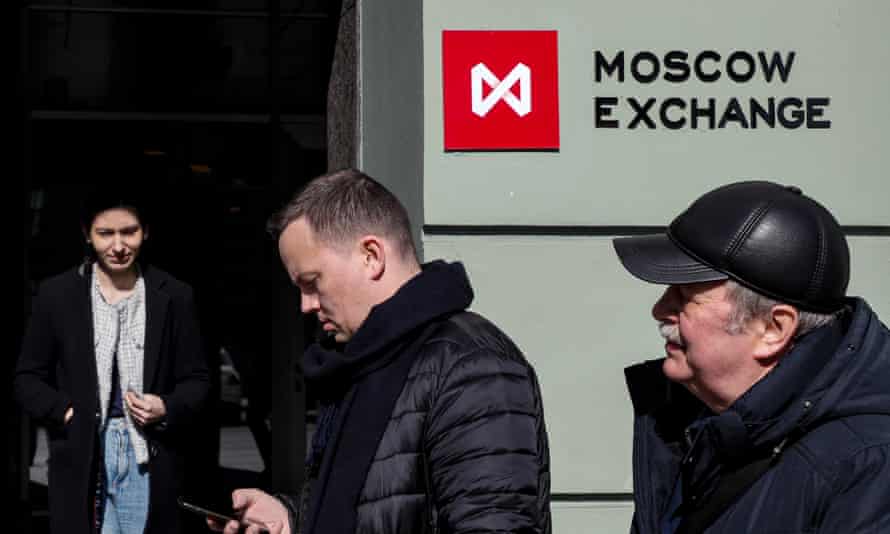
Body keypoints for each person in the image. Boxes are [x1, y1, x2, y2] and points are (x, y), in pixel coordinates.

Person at [209, 168, 551, 534]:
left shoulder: (473, 367)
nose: (305, 305)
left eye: (312, 283)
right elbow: (376, 506)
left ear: (371, 255)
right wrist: (293, 518)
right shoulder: (361, 363)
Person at [613, 181, 890, 533]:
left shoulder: (869, 466)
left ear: (773, 329)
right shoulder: (691, 427)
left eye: (684, 296)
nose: (660, 310)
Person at [15, 187, 210, 534]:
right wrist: (65, 410)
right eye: (105, 233)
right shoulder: (57, 296)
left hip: (147, 454)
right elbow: (27, 378)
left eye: (129, 232)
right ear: (87, 235)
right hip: (83, 450)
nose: (118, 246)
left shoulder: (175, 295)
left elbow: (197, 380)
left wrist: (166, 406)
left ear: (145, 232)